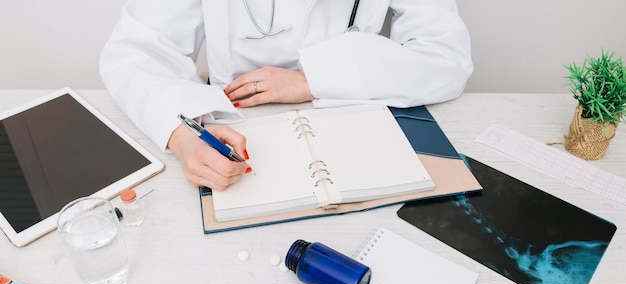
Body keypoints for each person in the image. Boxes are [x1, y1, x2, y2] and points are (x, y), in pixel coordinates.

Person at [100, 0, 473, 191]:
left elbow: (446, 59)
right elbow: (136, 52)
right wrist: (183, 135)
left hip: (354, 115)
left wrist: (313, 79)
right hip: (237, 121)